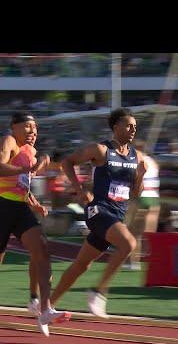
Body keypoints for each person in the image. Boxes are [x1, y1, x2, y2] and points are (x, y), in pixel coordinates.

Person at [0, 112, 68, 337]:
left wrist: (34, 203)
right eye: (27, 127)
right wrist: (26, 169)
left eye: (35, 128)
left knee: (42, 251)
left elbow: (22, 185)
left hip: (20, 210)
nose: (32, 132)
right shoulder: (8, 141)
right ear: (14, 127)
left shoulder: (32, 153)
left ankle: (44, 308)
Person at [49, 108, 147, 319]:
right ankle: (99, 291)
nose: (133, 130)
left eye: (135, 127)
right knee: (128, 243)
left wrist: (140, 176)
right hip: (98, 210)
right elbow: (67, 162)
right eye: (129, 125)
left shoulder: (136, 156)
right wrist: (79, 188)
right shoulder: (100, 150)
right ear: (116, 127)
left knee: (82, 264)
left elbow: (135, 193)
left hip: (116, 215)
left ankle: (47, 306)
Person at [124, 141, 160, 270]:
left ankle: (134, 263)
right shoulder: (154, 162)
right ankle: (157, 260)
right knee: (150, 234)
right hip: (154, 199)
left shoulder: (135, 161)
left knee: (133, 232)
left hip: (141, 198)